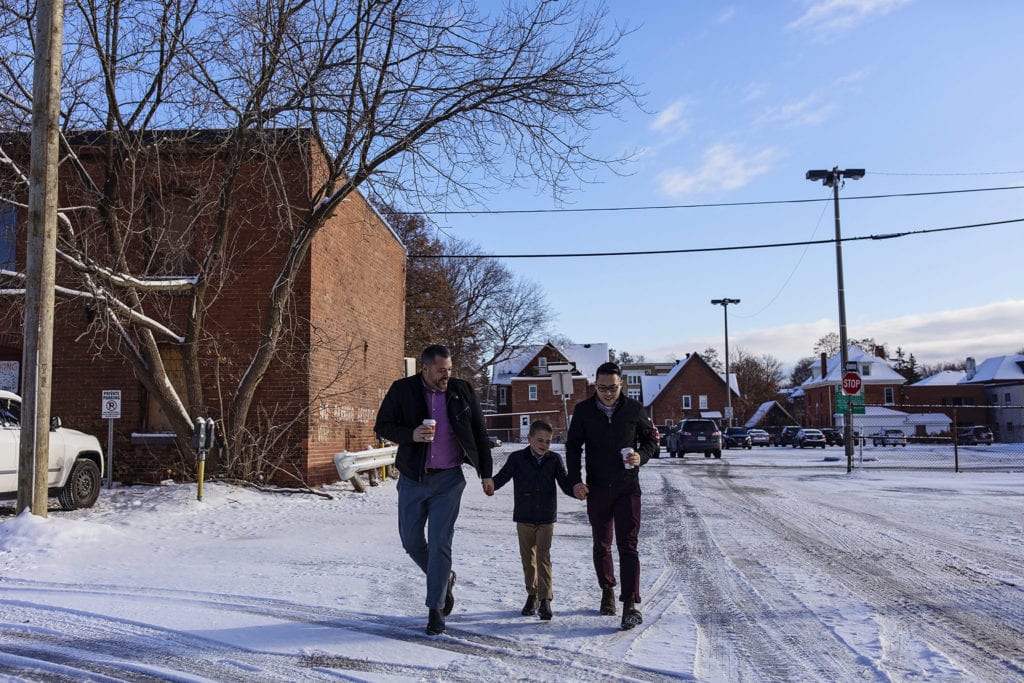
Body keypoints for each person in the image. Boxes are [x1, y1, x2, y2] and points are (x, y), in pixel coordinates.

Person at [374, 344, 494, 635]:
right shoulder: (402, 389)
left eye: (450, 370)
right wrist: (411, 434)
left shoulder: (461, 390)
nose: (446, 375)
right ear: (424, 368)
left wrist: (486, 473)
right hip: (413, 479)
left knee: (440, 542)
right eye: (441, 370)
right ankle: (444, 577)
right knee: (411, 541)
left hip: (449, 481)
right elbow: (383, 425)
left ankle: (435, 609)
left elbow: (479, 432)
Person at [565, 361, 658, 631]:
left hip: (627, 487)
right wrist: (575, 481)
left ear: (622, 385)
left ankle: (630, 603)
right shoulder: (583, 411)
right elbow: (572, 448)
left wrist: (643, 456)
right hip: (597, 488)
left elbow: (651, 440)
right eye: (602, 388)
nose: (607, 393)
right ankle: (607, 588)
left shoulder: (633, 409)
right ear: (595, 385)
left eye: (613, 388)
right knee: (601, 543)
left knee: (628, 545)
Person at [489, 420, 574, 621]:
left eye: (548, 441)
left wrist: (577, 490)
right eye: (540, 440)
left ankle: (545, 600)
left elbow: (564, 483)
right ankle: (532, 594)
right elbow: (502, 477)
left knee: (543, 558)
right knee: (528, 559)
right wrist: (491, 484)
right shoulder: (517, 458)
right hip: (524, 516)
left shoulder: (554, 460)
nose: (544, 445)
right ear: (529, 439)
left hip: (546, 516)